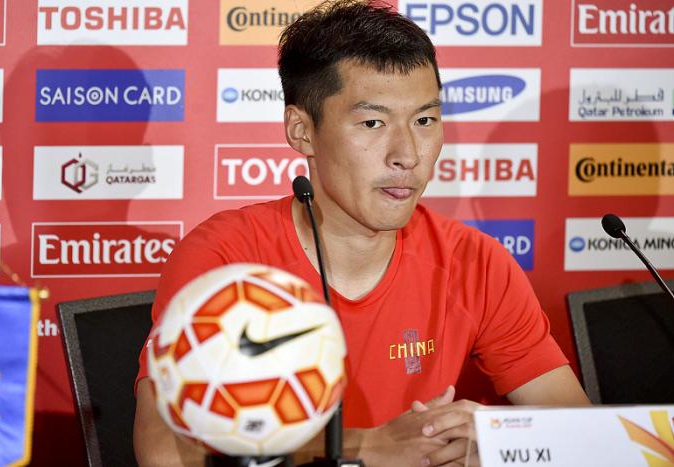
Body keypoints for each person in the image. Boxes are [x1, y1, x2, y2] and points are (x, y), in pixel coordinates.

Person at [133, 1, 590, 465]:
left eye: (425, 120)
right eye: (373, 123)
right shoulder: (226, 259)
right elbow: (164, 452)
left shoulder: (475, 261)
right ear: (301, 131)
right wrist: (367, 450)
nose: (407, 154)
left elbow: (584, 434)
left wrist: (498, 443)